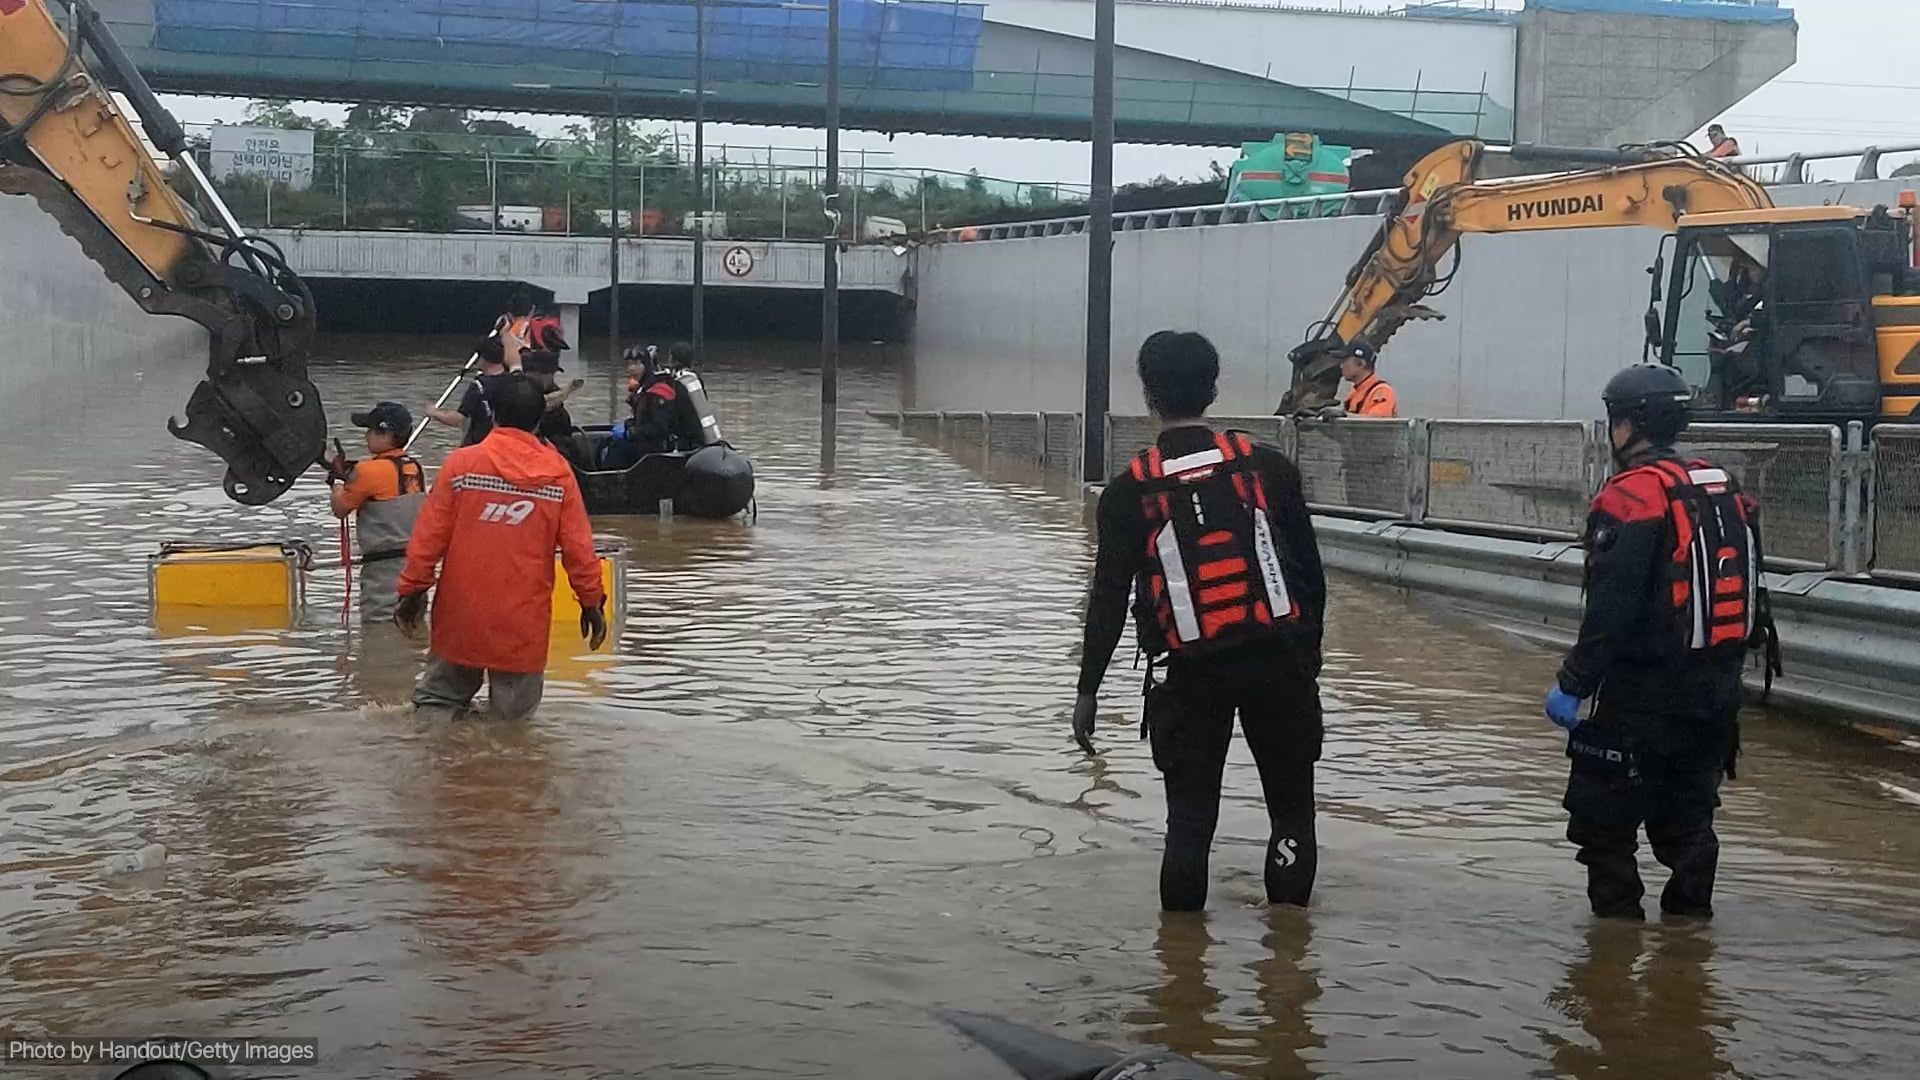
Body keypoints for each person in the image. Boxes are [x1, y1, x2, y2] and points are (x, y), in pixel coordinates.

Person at [1074, 330, 1328, 912]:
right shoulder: (1267, 468)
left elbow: (1108, 598)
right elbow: (1310, 578)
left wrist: (1088, 690)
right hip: (1277, 662)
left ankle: (1183, 979)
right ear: (1213, 390)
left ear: (1148, 395)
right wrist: (1307, 660)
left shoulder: (1127, 493)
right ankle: (1288, 976)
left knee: (1189, 826)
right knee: (1291, 814)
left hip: (1190, 672)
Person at [1545, 364, 1778, 921]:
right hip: (1716, 696)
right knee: (1690, 828)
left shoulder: (1631, 498)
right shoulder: (1720, 487)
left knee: (1603, 829)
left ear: (1627, 425)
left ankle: (1613, 969)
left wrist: (1574, 683)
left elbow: (1611, 610)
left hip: (1640, 698)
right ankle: (1688, 949)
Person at [395, 375, 609, 722]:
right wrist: (592, 602)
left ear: (492, 414)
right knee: (512, 729)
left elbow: (427, 540)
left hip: (461, 614)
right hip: (522, 623)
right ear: (540, 420)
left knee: (437, 706)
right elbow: (579, 551)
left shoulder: (461, 466)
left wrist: (412, 591)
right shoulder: (558, 476)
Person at [325, 401, 427, 621]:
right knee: (412, 624)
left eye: (371, 431)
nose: (366, 436)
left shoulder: (367, 471)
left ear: (385, 434)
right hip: (415, 565)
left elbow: (340, 508)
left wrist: (336, 483)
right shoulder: (415, 468)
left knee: (380, 626)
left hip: (384, 570)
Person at [426, 336, 513, 447]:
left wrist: (434, 412)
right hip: (504, 444)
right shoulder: (513, 382)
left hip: (479, 445)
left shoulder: (479, 387)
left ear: (482, 359)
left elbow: (458, 419)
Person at [1339, 344, 1397, 417]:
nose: (1341, 366)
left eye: (1345, 361)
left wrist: (1343, 416)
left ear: (1360, 364)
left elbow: (1375, 423)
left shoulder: (1382, 391)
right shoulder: (1353, 393)